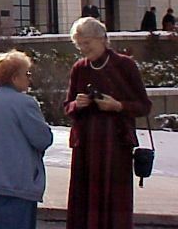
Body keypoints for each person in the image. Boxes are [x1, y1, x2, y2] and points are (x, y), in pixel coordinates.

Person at [64, 17, 152, 229]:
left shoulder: (125, 65)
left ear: (102, 39)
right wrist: (77, 104)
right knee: (84, 202)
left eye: (87, 43)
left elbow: (144, 106)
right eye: (79, 44)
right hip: (86, 146)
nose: (83, 49)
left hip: (115, 147)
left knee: (114, 204)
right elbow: (67, 107)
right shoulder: (79, 68)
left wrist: (118, 106)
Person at [0, 50, 53, 229]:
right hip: (17, 182)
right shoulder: (25, 103)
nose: (29, 79)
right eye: (27, 74)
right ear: (15, 78)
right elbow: (42, 139)